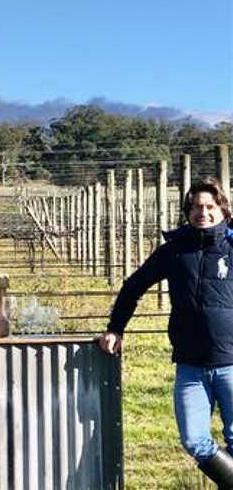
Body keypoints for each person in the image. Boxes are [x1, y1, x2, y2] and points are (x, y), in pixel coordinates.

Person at [99, 176, 233, 486]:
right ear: (188, 211)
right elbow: (133, 286)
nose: (203, 212)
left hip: (231, 363)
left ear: (221, 209)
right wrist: (115, 329)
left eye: (209, 206)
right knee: (194, 440)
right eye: (197, 207)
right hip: (190, 366)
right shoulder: (173, 251)